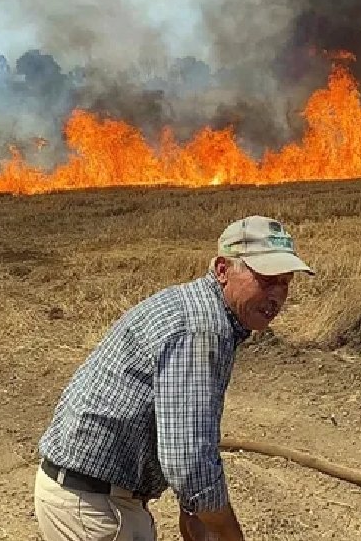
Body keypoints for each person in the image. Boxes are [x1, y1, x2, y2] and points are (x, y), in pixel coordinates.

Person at [33, 215, 314, 541]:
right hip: (92, 506)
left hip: (90, 494)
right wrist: (229, 534)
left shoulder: (199, 309)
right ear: (222, 270)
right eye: (265, 279)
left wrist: (193, 509)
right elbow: (189, 461)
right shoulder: (202, 328)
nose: (276, 295)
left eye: (285, 282)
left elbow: (186, 431)